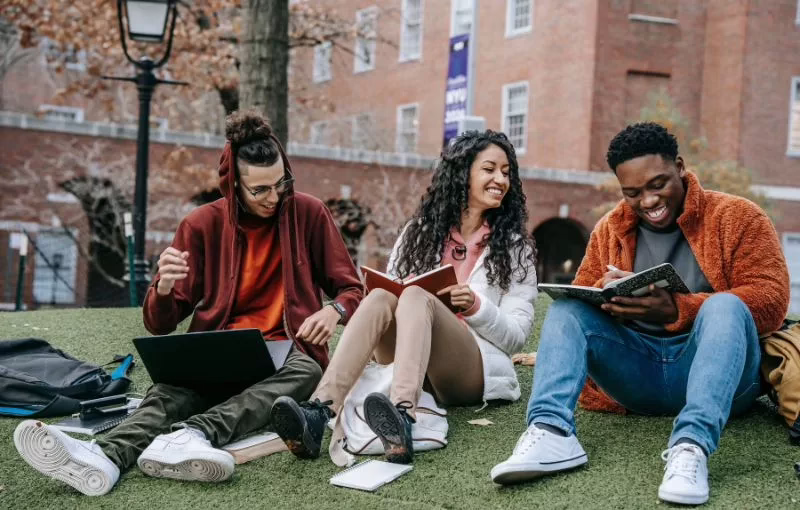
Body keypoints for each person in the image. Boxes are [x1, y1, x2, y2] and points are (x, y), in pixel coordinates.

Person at [12, 111, 364, 496]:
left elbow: (352, 289)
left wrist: (335, 310)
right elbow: (160, 324)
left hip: (287, 349)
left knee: (309, 372)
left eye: (281, 183)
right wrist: (163, 288)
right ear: (233, 185)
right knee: (168, 391)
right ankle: (104, 458)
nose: (274, 196)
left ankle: (194, 434)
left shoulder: (309, 213)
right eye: (259, 189)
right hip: (219, 347)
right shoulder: (200, 225)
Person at [491, 122, 790, 505]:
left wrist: (679, 310)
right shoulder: (610, 228)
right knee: (568, 307)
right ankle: (550, 432)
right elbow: (584, 297)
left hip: (721, 380)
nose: (648, 201)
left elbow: (772, 300)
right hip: (637, 377)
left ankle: (691, 446)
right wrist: (608, 298)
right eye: (632, 192)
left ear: (680, 166)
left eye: (657, 185)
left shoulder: (739, 217)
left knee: (726, 305)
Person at [270, 130, 538, 464]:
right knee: (383, 295)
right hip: (407, 359)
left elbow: (515, 337)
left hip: (468, 371)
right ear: (463, 173)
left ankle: (402, 415)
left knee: (416, 297)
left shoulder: (514, 248)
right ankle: (318, 411)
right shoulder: (419, 232)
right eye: (489, 169)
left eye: (506, 172)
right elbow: (392, 296)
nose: (500, 178)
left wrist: (476, 306)